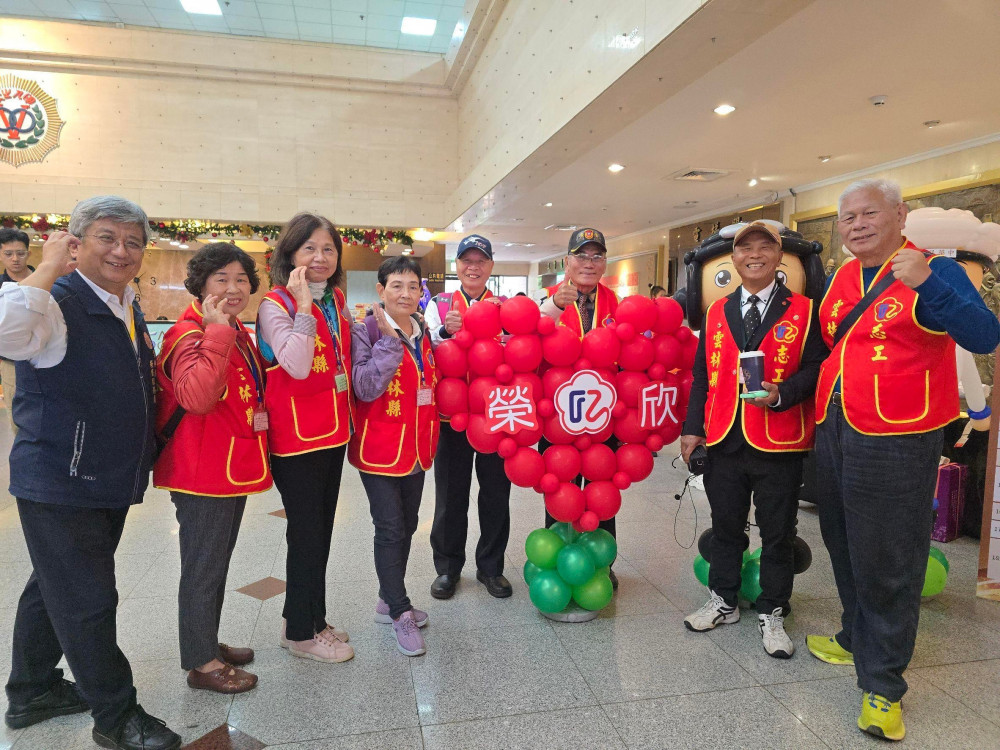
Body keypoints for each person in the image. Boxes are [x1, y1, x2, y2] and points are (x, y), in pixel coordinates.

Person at [807, 178, 1000, 741]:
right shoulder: (842, 277)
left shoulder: (933, 271)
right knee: (840, 537)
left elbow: (985, 335)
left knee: (890, 556)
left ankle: (884, 685)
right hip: (836, 425)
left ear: (900, 214)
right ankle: (853, 636)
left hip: (898, 434)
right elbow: (830, 344)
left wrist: (930, 289)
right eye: (848, 217)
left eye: (869, 213)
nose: (857, 224)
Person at [0, 196, 182, 750]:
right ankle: (116, 715)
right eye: (106, 238)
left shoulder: (122, 302)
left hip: (104, 478)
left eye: (132, 242)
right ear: (76, 243)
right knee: (88, 598)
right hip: (61, 477)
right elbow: (6, 330)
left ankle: (31, 691)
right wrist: (50, 264)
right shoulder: (55, 301)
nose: (121, 251)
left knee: (52, 585)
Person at [680, 221, 828, 658]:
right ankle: (723, 600)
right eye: (746, 248)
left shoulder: (805, 310)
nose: (755, 255)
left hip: (779, 441)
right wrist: (692, 428)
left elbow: (817, 368)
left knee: (779, 533)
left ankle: (773, 609)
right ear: (735, 259)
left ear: (780, 258)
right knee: (726, 527)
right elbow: (702, 375)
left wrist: (784, 394)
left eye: (766, 247)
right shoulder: (715, 311)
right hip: (725, 437)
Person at [153, 243, 271, 695]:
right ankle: (202, 663)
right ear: (201, 285)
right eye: (221, 279)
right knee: (203, 568)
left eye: (241, 279)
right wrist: (216, 332)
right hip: (202, 472)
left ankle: (206, 642)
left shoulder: (234, 329)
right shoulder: (187, 334)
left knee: (214, 565)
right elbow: (198, 398)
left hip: (227, 468)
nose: (233, 288)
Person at [256, 213, 354, 665]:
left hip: (332, 432)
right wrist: (300, 307)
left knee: (321, 533)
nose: (320, 257)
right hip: (295, 438)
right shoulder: (274, 305)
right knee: (306, 533)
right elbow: (295, 364)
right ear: (290, 254)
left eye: (328, 249)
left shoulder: (334, 300)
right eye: (309, 248)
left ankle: (312, 618)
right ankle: (298, 633)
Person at [349, 256, 439, 656]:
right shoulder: (365, 329)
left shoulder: (424, 332)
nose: (406, 293)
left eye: (413, 286)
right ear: (381, 290)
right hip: (379, 449)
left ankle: (390, 598)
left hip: (417, 448)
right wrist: (388, 341)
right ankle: (399, 611)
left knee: (408, 523)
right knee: (389, 528)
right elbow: (366, 387)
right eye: (397, 285)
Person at [424, 235, 513, 600]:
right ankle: (447, 569)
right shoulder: (439, 303)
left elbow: (520, 348)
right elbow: (425, 346)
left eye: (481, 260)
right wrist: (446, 330)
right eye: (466, 260)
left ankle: (491, 568)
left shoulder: (507, 306)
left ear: (491, 266)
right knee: (450, 495)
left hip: (495, 415)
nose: (473, 267)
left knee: (495, 494)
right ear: (457, 266)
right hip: (451, 418)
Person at [539, 227, 621, 589]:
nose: (589, 263)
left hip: (604, 417)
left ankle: (602, 560)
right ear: (566, 261)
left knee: (602, 490)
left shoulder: (616, 302)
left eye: (596, 256)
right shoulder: (547, 298)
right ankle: (556, 556)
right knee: (560, 488)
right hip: (558, 418)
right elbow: (530, 337)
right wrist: (555, 306)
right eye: (581, 256)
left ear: (604, 263)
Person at [0, 227, 35, 431]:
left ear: (28, 253)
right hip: (12, 362)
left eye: (20, 253)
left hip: (47, 358)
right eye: (8, 254)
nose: (15, 259)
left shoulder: (46, 279)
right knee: (17, 416)